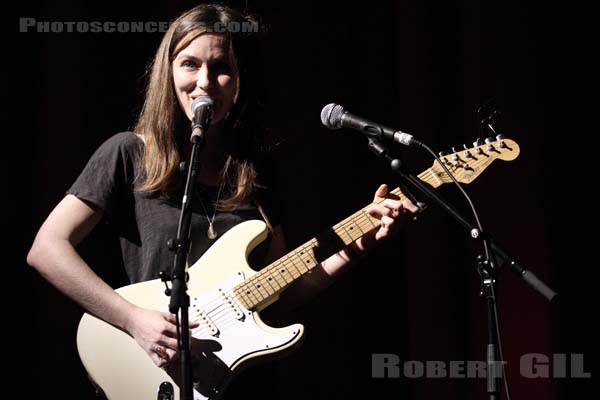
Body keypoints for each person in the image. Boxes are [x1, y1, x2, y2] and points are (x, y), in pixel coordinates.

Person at [27, 1, 417, 393]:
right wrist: (132, 319)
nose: (205, 81)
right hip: (153, 371)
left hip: (235, 383)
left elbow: (280, 294)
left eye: (222, 68)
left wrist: (354, 247)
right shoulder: (128, 153)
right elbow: (47, 248)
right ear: (169, 72)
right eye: (190, 64)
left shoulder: (255, 175)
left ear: (240, 81)